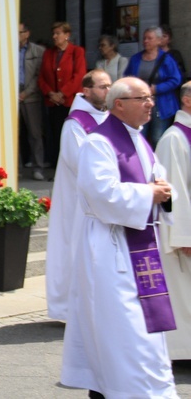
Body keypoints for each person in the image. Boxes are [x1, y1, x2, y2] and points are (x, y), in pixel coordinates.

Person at [61, 77, 178, 398]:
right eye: (143, 98)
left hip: (139, 247)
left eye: (150, 97)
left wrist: (163, 193)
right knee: (120, 329)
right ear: (119, 105)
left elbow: (158, 182)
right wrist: (149, 194)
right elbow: (100, 194)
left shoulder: (140, 139)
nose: (150, 103)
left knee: (142, 331)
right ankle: (114, 388)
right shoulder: (99, 143)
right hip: (109, 248)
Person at [45, 69, 111, 321]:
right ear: (86, 90)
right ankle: (68, 309)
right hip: (78, 202)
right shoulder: (76, 123)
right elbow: (78, 162)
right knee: (73, 249)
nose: (107, 90)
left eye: (109, 86)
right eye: (102, 86)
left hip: (100, 201)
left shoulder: (106, 118)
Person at [156, 81, 191, 360]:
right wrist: (182, 235)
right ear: (188, 101)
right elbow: (171, 192)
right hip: (185, 232)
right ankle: (184, 351)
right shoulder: (173, 139)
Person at [123, 26, 182, 148]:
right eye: (144, 38)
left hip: (161, 104)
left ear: (159, 41)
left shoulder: (167, 59)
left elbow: (176, 79)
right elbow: (127, 78)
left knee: (157, 138)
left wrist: (157, 89)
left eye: (150, 38)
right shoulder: (135, 59)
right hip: (139, 103)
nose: (145, 41)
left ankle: (157, 165)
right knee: (140, 136)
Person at [38, 21, 87, 166]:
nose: (54, 36)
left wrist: (63, 93)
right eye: (53, 33)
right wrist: (51, 93)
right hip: (53, 102)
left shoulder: (77, 52)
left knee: (71, 134)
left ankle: (73, 164)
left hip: (70, 101)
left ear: (67, 35)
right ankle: (58, 165)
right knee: (56, 133)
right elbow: (41, 77)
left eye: (58, 33)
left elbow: (79, 75)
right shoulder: (48, 53)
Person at [18, 23, 46, 181]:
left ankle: (38, 168)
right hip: (12, 96)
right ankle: (14, 169)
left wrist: (26, 92)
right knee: (13, 134)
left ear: (27, 33)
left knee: (35, 134)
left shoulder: (38, 51)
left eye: (19, 32)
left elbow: (39, 75)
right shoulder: (7, 49)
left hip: (31, 96)